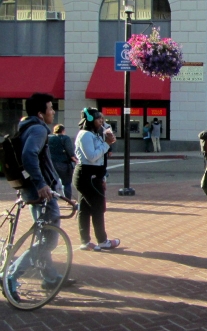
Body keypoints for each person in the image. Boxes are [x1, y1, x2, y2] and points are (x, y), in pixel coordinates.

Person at [5, 93, 76, 301]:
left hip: (34, 191)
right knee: (48, 240)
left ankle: (50, 276)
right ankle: (11, 276)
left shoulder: (26, 127)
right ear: (40, 113)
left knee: (44, 235)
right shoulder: (38, 129)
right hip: (41, 193)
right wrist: (41, 183)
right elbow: (29, 155)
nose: (53, 112)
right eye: (50, 108)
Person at [74, 107, 120, 251]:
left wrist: (106, 131)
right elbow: (92, 156)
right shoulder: (85, 135)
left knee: (86, 208)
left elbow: (101, 156)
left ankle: (85, 241)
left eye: (102, 118)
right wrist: (106, 144)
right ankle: (102, 240)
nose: (101, 121)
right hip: (87, 174)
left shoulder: (95, 133)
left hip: (93, 174)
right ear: (89, 119)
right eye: (98, 118)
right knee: (98, 207)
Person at [48, 124, 77, 200]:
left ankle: (52, 199)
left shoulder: (50, 139)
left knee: (53, 182)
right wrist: (75, 159)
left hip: (52, 163)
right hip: (64, 163)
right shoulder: (65, 138)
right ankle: (68, 199)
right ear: (63, 130)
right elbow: (70, 150)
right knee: (66, 183)